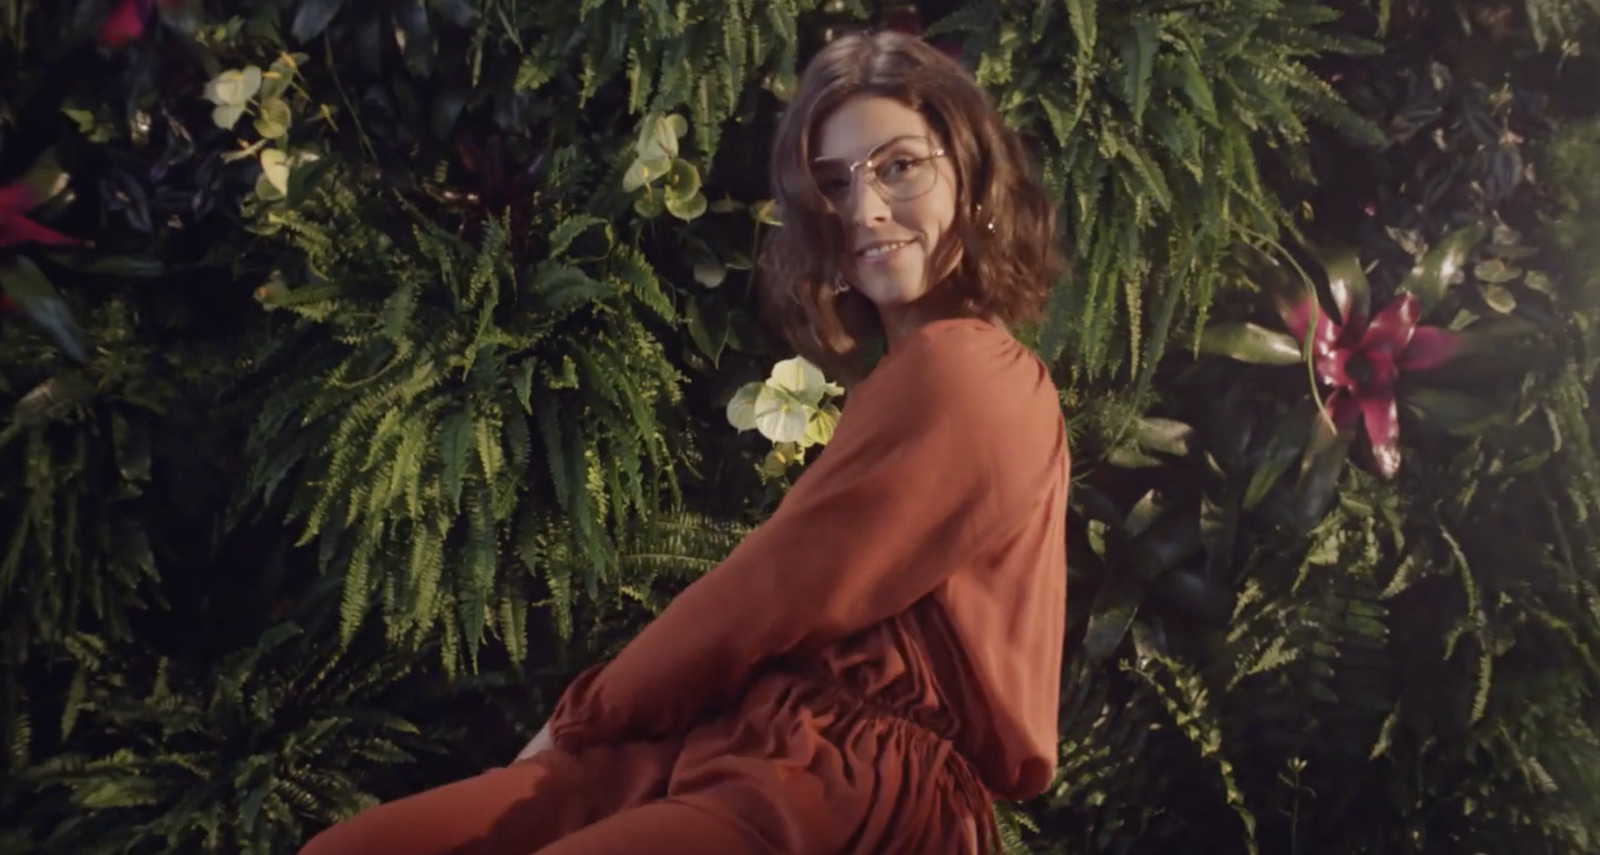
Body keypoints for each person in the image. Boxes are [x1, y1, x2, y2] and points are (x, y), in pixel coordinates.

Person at [296, 29, 1070, 855]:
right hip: (752, 738)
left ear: (972, 176)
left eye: (899, 166)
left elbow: (769, 589)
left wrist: (581, 720)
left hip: (851, 784)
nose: (865, 209)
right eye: (834, 184)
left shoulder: (966, 373)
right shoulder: (912, 376)